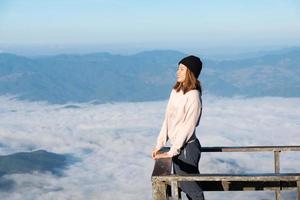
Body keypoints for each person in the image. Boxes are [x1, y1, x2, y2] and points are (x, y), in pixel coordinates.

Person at [151, 55, 205, 200]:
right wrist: (159, 144)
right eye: (178, 68)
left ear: (190, 73)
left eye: (182, 69)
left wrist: (172, 151)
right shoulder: (175, 92)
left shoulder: (193, 95)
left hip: (187, 147)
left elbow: (189, 126)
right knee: (184, 185)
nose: (177, 72)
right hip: (178, 146)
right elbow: (167, 120)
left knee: (191, 188)